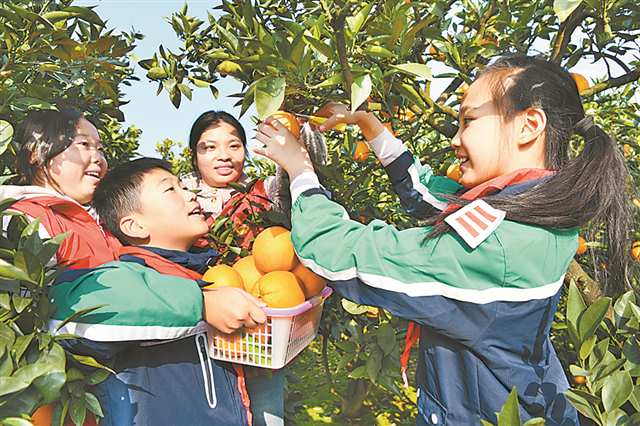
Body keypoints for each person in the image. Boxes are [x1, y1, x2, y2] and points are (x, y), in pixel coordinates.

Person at [254, 55, 630, 425]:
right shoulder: (535, 207)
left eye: (469, 121)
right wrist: (371, 126)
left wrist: (300, 169)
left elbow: (336, 251)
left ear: (528, 125)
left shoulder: (493, 248)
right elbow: (434, 199)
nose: (455, 139)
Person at [48, 158, 268, 425]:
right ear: (135, 226)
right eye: (170, 189)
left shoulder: (203, 274)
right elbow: (74, 307)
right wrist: (200, 302)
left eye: (183, 186)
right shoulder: (128, 278)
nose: (190, 194)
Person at [182, 111, 286, 426]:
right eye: (209, 147)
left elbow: (304, 181)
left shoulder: (263, 194)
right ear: (194, 155)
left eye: (233, 145)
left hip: (258, 327)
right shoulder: (179, 199)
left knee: (267, 412)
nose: (224, 156)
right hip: (198, 330)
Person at [1, 109, 120, 269]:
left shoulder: (108, 221)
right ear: (35, 153)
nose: (99, 158)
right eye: (84, 144)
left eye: (100, 149)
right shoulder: (22, 219)